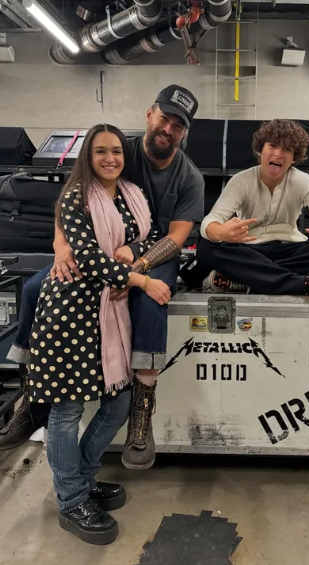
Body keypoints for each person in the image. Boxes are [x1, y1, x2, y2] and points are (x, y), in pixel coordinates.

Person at [0, 85, 204, 472]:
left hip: (154, 253)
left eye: (178, 125)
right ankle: (32, 396)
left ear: (184, 132)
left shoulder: (189, 177)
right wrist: (61, 246)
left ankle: (141, 406)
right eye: (164, 118)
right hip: (100, 247)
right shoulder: (118, 149)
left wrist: (138, 266)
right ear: (149, 114)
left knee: (149, 302)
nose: (168, 129)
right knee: (33, 288)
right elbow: (71, 196)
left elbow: (177, 237)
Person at [27, 123, 169, 544]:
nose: (110, 158)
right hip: (70, 311)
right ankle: (71, 500)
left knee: (118, 402)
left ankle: (84, 478)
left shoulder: (131, 194)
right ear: (87, 156)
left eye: (117, 151)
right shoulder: (76, 197)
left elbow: (151, 235)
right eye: (101, 151)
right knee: (66, 411)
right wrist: (142, 280)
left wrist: (134, 251)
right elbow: (88, 259)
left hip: (110, 312)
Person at [197, 119, 309, 298]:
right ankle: (301, 284)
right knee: (206, 248)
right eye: (272, 146)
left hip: (289, 250)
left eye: (287, 149)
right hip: (250, 251)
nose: (278, 154)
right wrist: (221, 232)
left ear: (294, 158)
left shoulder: (302, 181)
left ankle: (248, 280)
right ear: (260, 150)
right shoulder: (241, 180)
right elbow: (211, 221)